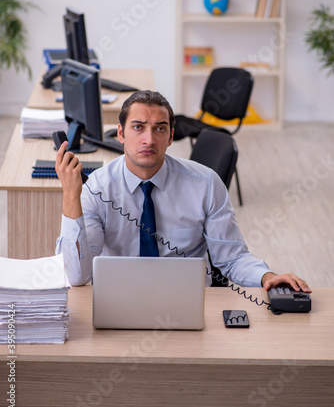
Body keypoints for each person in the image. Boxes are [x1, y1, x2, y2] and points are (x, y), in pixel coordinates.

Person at [55, 90, 311, 294]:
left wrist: (267, 277)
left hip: (188, 301)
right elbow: (78, 275)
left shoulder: (205, 184)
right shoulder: (96, 188)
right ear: (120, 133)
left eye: (159, 128)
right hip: (120, 299)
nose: (149, 139)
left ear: (170, 136)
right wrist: (70, 196)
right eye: (138, 127)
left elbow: (232, 259)